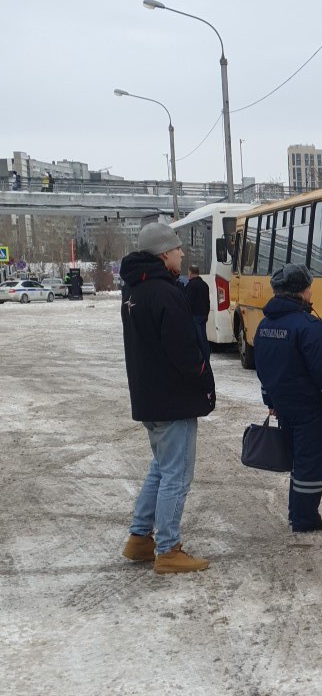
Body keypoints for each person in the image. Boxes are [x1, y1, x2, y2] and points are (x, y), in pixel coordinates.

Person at [119, 222, 216, 573]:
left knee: (160, 469)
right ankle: (168, 549)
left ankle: (139, 538)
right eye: (176, 249)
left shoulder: (133, 290)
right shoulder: (164, 291)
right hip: (173, 399)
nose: (181, 254)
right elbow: (184, 350)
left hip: (149, 396)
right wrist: (205, 380)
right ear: (163, 254)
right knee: (176, 474)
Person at [253, 263, 322, 533]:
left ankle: (297, 512)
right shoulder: (308, 327)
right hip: (309, 410)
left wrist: (270, 401)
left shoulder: (264, 325)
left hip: (284, 408)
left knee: (298, 460)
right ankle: (304, 518)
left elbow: (263, 367)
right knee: (311, 464)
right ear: (303, 291)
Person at [185, 263, 211, 331]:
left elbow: (189, 302)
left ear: (190, 272)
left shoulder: (190, 285)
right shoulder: (205, 285)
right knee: (203, 335)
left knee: (199, 337)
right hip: (204, 314)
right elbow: (207, 301)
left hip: (195, 315)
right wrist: (206, 313)